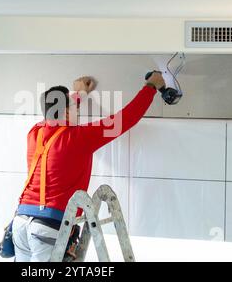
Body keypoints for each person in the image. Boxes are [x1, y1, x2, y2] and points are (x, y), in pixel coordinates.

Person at [11, 72, 165, 261]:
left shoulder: (35, 134)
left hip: (20, 223)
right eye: (75, 107)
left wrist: (80, 94)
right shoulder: (79, 138)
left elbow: (54, 111)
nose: (79, 111)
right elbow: (126, 118)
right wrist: (151, 87)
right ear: (67, 112)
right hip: (48, 226)